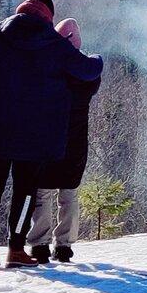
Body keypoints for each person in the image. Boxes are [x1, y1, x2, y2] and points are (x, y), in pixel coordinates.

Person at [0, 0, 103, 269]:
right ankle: (16, 249)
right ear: (48, 15)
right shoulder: (54, 44)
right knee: (24, 193)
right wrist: (97, 58)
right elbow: (88, 70)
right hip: (33, 136)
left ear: (23, 8)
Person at [26, 18, 101, 264]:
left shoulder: (47, 70)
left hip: (47, 140)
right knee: (69, 194)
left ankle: (39, 244)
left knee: (42, 193)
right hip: (76, 142)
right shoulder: (87, 75)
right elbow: (94, 66)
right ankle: (64, 246)